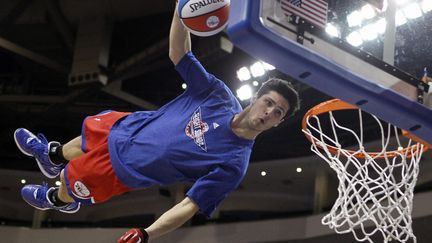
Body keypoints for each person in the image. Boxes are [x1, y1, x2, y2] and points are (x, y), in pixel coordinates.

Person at [14, 2, 300, 243]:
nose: (269, 112)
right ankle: (52, 155)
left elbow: (190, 205)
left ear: (277, 124)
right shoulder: (219, 96)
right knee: (84, 138)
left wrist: (147, 233)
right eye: (269, 102)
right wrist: (181, 7)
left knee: (70, 179)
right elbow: (180, 54)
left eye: (278, 113)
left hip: (125, 169)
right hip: (131, 127)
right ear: (256, 98)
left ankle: (60, 199)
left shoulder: (234, 164)